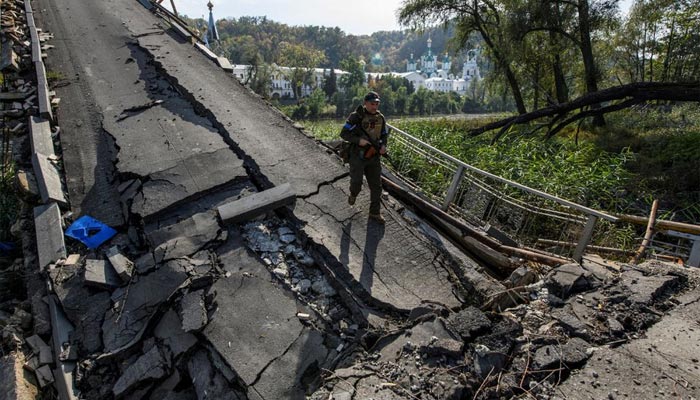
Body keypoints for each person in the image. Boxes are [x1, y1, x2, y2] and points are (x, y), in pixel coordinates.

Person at [340, 91, 389, 224]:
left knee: (376, 186)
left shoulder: (380, 118)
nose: (375, 106)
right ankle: (353, 194)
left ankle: (374, 212)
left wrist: (383, 145)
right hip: (358, 155)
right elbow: (344, 133)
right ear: (365, 103)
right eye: (372, 104)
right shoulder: (356, 117)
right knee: (356, 183)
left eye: (377, 104)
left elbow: (384, 134)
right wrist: (358, 140)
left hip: (374, 156)